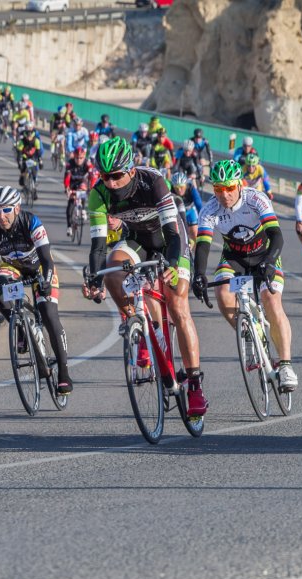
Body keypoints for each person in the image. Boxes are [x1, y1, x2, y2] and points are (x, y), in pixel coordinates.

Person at [84, 136, 208, 416]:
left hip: (169, 241)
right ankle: (134, 321)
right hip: (138, 241)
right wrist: (94, 279)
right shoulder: (98, 194)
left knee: (177, 305)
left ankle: (195, 384)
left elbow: (174, 234)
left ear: (130, 169)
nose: (110, 183)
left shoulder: (153, 182)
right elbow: (98, 246)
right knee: (113, 269)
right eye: (104, 176)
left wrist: (172, 264)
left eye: (116, 176)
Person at [191, 160, 297, 392]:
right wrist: (198, 274)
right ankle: (251, 333)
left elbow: (277, 236)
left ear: (239, 185)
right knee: (222, 292)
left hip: (264, 254)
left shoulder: (256, 199)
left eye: (229, 188)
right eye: (218, 189)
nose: (224, 194)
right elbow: (203, 245)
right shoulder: (209, 210)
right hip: (235, 257)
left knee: (271, 300)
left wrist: (269, 262)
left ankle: (286, 365)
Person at [0, 186, 72, 395]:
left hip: (39, 268)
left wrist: (45, 281)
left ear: (17, 208)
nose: (1, 216)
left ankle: (63, 371)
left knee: (48, 313)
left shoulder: (31, 222)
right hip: (13, 268)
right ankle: (19, 324)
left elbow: (46, 259)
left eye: (6, 209)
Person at [63, 147, 93, 238]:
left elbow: (92, 176)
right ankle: (69, 227)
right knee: (71, 203)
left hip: (82, 183)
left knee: (83, 189)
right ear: (74, 157)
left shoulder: (87, 163)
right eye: (77, 158)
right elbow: (67, 178)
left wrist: (91, 188)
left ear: (84, 157)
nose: (79, 160)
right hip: (72, 183)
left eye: (81, 158)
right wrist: (67, 188)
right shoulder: (70, 163)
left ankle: (83, 209)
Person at [170, 171, 203, 238]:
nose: (179, 190)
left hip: (189, 211)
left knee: (194, 234)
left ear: (186, 185)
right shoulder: (171, 190)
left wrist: (203, 219)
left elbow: (199, 204)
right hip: (177, 213)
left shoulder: (191, 188)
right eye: (176, 187)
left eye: (181, 187)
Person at [15, 127, 43, 196]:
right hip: (25, 158)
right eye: (27, 136)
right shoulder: (22, 141)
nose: (29, 138)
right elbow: (19, 152)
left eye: (30, 136)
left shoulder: (36, 141)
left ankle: (34, 188)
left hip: (33, 158)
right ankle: (24, 182)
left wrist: (40, 161)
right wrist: (19, 162)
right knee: (23, 170)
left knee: (34, 172)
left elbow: (39, 153)